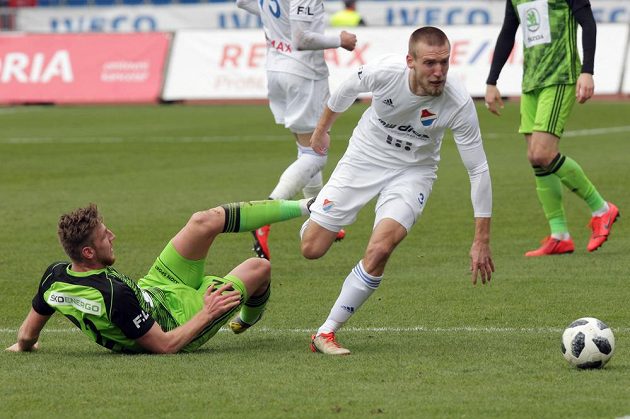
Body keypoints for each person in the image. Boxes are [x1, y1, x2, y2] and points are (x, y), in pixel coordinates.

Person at [300, 26, 495, 355]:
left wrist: (481, 239)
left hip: (414, 171)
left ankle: (326, 332)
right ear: (410, 61)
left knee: (380, 250)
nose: (439, 72)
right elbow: (346, 89)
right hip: (365, 155)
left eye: (444, 63)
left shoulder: (458, 101)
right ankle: (306, 207)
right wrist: (321, 132)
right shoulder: (385, 72)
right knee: (312, 248)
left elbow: (478, 168)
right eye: (430, 63)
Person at [6, 199, 311, 354]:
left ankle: (307, 206)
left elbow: (26, 336)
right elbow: (165, 346)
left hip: (153, 288)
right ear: (88, 253)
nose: (112, 236)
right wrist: (206, 314)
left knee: (202, 221)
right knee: (259, 268)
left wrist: (25, 345)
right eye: (103, 236)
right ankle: (245, 319)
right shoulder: (114, 294)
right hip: (179, 318)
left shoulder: (55, 276)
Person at [485, 0, 619, 257]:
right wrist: (492, 80)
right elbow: (507, 32)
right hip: (531, 81)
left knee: (542, 154)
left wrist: (587, 70)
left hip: (560, 77)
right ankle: (560, 235)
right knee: (535, 158)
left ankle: (602, 209)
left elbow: (588, 23)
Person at [236, 0, 357, 260]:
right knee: (316, 155)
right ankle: (264, 216)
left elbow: (243, 2)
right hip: (303, 74)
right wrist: (341, 39)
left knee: (305, 152)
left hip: (276, 69)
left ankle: (319, 219)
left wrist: (274, 20)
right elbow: (302, 39)